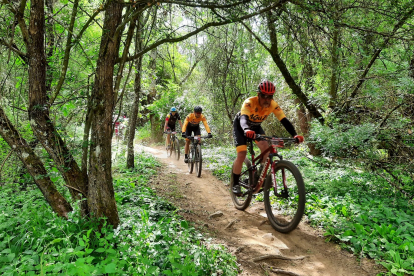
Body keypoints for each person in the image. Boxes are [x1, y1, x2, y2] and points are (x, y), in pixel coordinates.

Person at [232, 80, 304, 195]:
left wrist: (294, 134)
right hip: (241, 126)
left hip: (255, 127)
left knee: (266, 148)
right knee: (242, 154)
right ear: (258, 95)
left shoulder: (273, 105)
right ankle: (235, 184)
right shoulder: (249, 102)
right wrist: (246, 129)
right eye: (264, 96)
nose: (267, 99)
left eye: (269, 96)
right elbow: (243, 118)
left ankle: (258, 177)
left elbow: (284, 120)